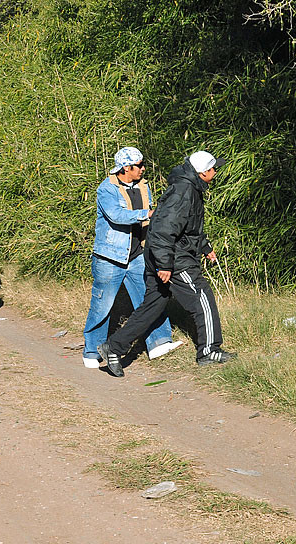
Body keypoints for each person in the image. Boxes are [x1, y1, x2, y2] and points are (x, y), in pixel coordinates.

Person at [97, 150, 236, 377]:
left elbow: (188, 227)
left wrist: (205, 247)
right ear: (202, 173)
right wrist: (165, 265)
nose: (216, 172)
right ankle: (209, 351)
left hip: (161, 254)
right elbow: (163, 231)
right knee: (202, 298)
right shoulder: (184, 192)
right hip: (173, 257)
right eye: (214, 169)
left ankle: (113, 347)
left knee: (154, 305)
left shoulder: (188, 187)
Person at [82, 147, 183, 368]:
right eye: (140, 165)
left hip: (138, 254)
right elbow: (116, 215)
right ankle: (91, 350)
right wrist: (146, 214)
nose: (143, 168)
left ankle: (159, 341)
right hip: (110, 256)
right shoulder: (107, 189)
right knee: (102, 305)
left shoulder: (143, 186)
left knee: (150, 298)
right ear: (126, 168)